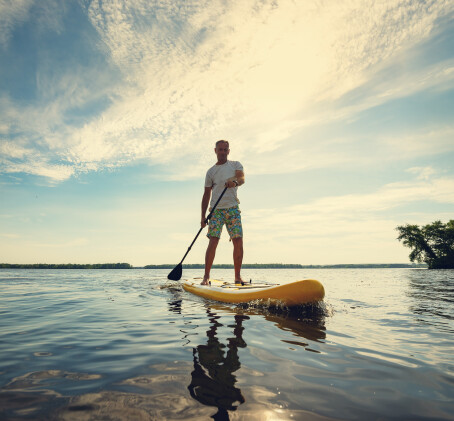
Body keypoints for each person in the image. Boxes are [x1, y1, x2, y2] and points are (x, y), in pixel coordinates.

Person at [201, 140, 245, 285]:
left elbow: (241, 178)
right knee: (213, 241)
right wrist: (202, 216)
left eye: (225, 149)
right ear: (215, 151)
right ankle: (206, 277)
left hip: (232, 209)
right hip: (216, 211)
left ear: (228, 151)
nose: (223, 152)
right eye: (220, 149)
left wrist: (235, 183)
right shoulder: (211, 172)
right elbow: (206, 194)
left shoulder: (235, 165)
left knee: (238, 240)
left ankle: (237, 277)